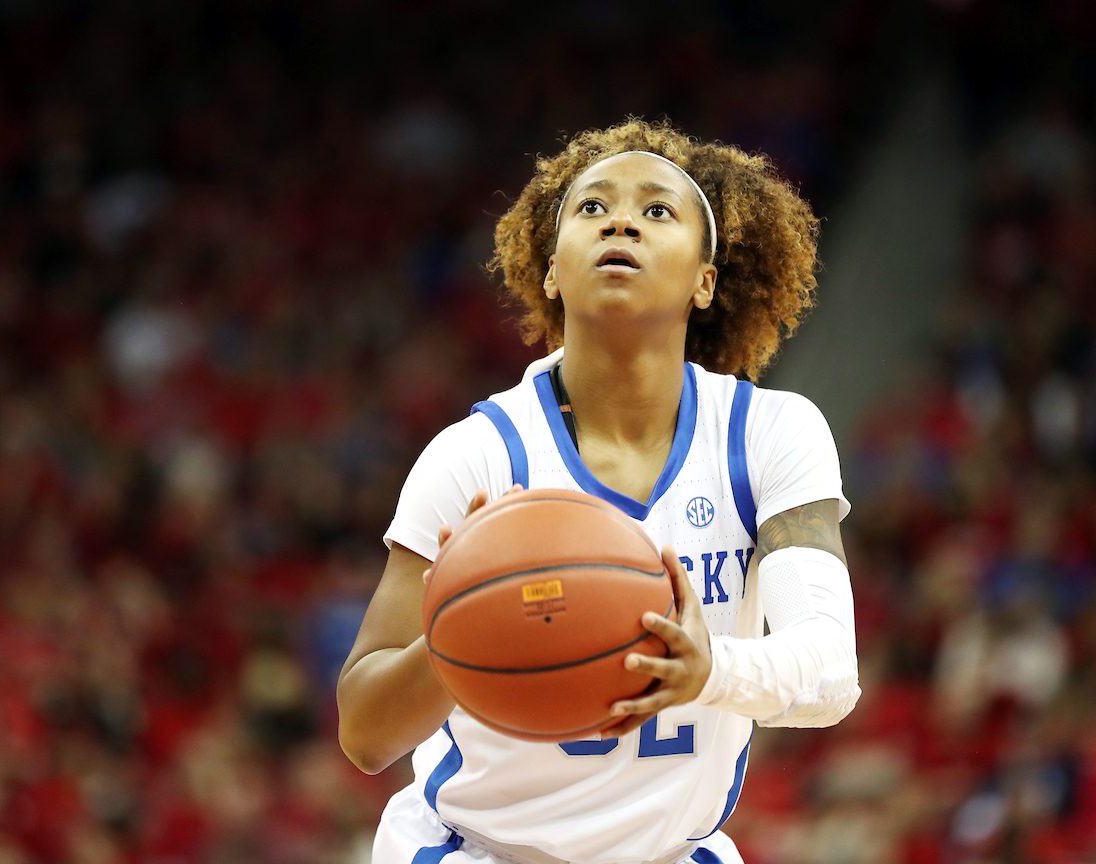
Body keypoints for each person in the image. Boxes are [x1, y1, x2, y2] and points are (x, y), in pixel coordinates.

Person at [337, 119, 861, 864]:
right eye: (591, 208)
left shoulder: (770, 435)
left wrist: (712, 673)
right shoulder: (477, 456)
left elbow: (832, 674)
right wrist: (458, 631)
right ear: (552, 270)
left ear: (705, 279)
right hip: (476, 851)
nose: (620, 219)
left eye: (657, 210)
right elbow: (364, 736)